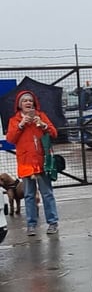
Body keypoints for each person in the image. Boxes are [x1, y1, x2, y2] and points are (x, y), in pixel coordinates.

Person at [6, 91, 60, 236]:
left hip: (42, 162)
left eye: (30, 100)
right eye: (25, 101)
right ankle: (31, 224)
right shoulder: (14, 120)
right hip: (26, 164)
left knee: (47, 193)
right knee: (29, 195)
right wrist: (21, 125)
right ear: (19, 104)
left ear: (34, 103)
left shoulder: (41, 116)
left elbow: (54, 133)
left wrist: (43, 125)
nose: (28, 103)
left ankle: (52, 222)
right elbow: (10, 139)